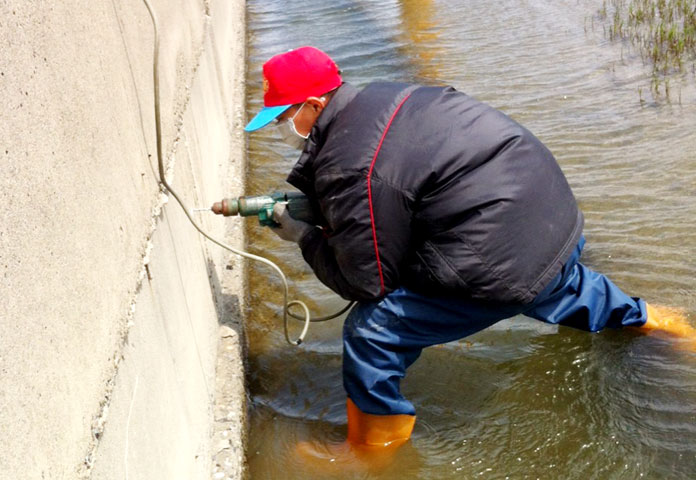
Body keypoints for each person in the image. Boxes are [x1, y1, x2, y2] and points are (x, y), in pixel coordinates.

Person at [243, 46, 695, 471]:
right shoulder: (387, 95)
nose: (283, 128)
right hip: (551, 217)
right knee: (557, 282)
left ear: (317, 106)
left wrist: (305, 238)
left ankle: (371, 451)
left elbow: (366, 282)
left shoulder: (348, 163)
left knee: (372, 330)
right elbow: (399, 183)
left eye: (285, 116)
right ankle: (658, 322)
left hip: (502, 252)